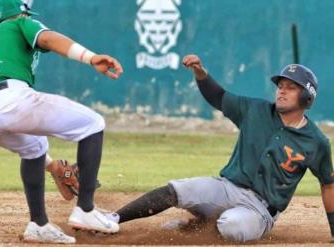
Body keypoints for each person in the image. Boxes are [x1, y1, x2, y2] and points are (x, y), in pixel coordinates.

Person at [113, 54, 334, 243]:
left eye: (291, 88)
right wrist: (201, 73)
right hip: (226, 188)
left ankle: (193, 228)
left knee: (232, 225)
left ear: (307, 97)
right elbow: (218, 98)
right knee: (178, 190)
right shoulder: (255, 110)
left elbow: (328, 185)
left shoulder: (316, 142)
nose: (282, 92)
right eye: (280, 86)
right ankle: (112, 218)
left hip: (259, 210)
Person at [0, 0, 123, 244]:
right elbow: (47, 39)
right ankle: (85, 210)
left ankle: (38, 224)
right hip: (9, 97)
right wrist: (90, 57)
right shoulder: (19, 23)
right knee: (93, 124)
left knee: (34, 149)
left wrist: (54, 167)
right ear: (19, 12)